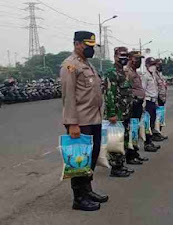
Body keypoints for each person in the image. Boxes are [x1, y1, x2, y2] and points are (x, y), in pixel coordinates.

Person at [60, 31, 107, 211]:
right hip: (80, 121)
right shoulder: (70, 65)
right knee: (79, 160)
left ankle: (87, 190)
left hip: (94, 119)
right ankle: (78, 198)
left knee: (91, 157)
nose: (91, 48)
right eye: (88, 45)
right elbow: (68, 96)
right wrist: (72, 123)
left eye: (92, 45)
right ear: (77, 44)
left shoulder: (88, 65)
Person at [103, 47, 138, 178]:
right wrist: (112, 113)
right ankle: (115, 167)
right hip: (116, 113)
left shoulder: (123, 73)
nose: (124, 58)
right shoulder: (111, 73)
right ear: (115, 56)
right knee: (115, 141)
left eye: (126, 56)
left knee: (123, 140)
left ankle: (121, 164)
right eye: (122, 55)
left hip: (125, 112)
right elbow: (109, 94)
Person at [126, 50, 150, 162]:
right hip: (133, 105)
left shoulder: (135, 72)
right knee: (132, 130)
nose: (139, 61)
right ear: (130, 59)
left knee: (135, 129)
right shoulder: (128, 72)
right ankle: (130, 154)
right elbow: (126, 89)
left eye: (140, 59)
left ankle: (134, 152)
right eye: (136, 59)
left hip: (138, 104)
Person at [142, 57, 162, 152]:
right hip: (148, 102)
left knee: (152, 123)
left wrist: (156, 101)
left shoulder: (153, 75)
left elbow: (155, 89)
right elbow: (143, 90)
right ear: (146, 65)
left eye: (154, 65)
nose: (153, 67)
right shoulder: (145, 76)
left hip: (153, 101)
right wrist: (144, 104)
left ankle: (150, 141)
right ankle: (147, 143)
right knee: (147, 124)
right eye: (151, 65)